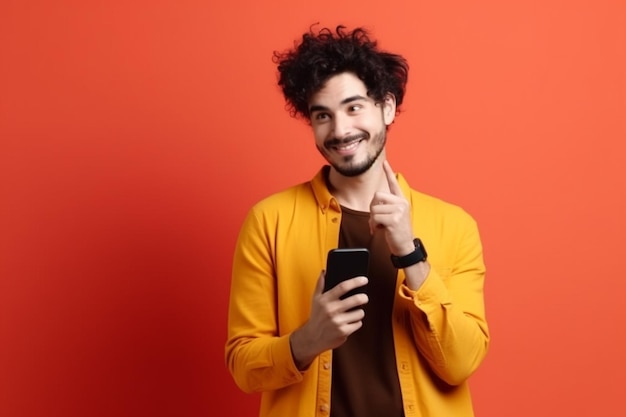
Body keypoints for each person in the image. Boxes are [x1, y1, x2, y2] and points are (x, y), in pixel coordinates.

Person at [225, 25, 489, 417]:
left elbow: (461, 363)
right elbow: (244, 367)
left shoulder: (454, 225)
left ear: (386, 107)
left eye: (353, 107)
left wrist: (410, 255)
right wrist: (307, 341)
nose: (341, 130)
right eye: (323, 115)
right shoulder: (269, 220)